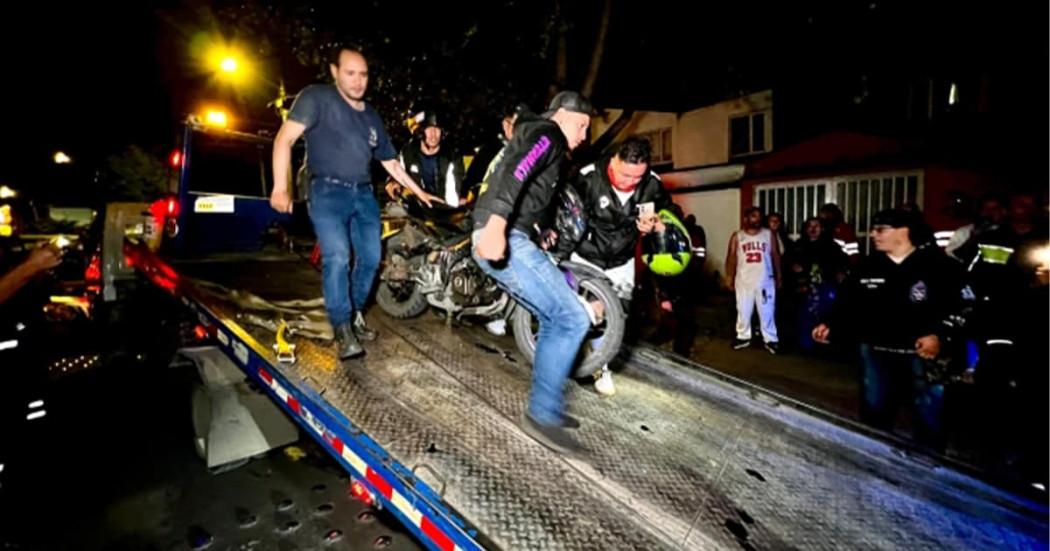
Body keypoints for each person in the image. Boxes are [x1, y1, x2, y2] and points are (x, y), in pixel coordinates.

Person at [270, 46, 440, 360]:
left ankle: (356, 313)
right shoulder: (315, 98)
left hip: (363, 194)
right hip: (327, 191)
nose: (358, 81)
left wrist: (419, 191)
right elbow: (285, 139)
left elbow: (391, 163)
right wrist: (280, 185)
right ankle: (342, 327)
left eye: (363, 74)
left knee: (372, 259)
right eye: (350, 73)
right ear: (335, 72)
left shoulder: (372, 116)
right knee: (337, 257)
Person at [472, 91, 594, 455]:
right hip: (502, 235)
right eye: (583, 125)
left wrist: (541, 229)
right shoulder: (549, 134)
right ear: (562, 115)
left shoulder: (538, 134)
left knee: (555, 318)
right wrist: (497, 226)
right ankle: (542, 415)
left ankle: (547, 408)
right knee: (572, 318)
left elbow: (529, 188)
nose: (585, 135)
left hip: (513, 234)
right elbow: (518, 171)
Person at [812, 208, 963, 450]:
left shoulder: (938, 267)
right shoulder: (867, 267)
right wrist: (829, 324)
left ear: (903, 232)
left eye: (880, 229)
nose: (873, 234)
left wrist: (939, 335)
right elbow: (846, 303)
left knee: (929, 418)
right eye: (873, 229)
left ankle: (929, 470)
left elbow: (959, 307)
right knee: (874, 416)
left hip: (922, 357)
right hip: (876, 352)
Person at [568, 137, 674, 396]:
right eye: (625, 174)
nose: (629, 182)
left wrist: (657, 222)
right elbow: (564, 216)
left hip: (621, 261)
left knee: (614, 317)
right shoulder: (587, 178)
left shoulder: (651, 184)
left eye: (636, 178)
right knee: (578, 312)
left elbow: (670, 212)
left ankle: (600, 367)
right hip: (584, 256)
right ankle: (566, 357)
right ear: (614, 160)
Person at [783, 217, 847, 352]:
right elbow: (787, 264)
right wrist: (794, 269)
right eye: (810, 226)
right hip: (803, 289)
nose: (813, 229)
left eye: (816, 226)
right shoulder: (798, 246)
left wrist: (840, 273)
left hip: (825, 287)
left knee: (826, 316)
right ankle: (805, 345)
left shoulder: (831, 246)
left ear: (822, 228)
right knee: (803, 316)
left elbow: (842, 264)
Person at [725, 207, 781, 354]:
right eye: (754, 216)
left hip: (765, 280)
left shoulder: (768, 234)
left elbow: (775, 255)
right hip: (744, 280)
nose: (757, 219)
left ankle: (771, 339)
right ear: (746, 218)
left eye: (759, 216)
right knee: (743, 310)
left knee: (767, 311)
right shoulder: (737, 236)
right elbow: (731, 258)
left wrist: (779, 275)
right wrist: (729, 276)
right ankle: (743, 336)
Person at [385, 111, 467, 207]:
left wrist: (450, 209)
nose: (433, 134)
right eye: (428, 129)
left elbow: (452, 197)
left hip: (442, 209)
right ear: (420, 132)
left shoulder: (452, 157)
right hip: (417, 207)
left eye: (437, 129)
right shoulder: (408, 152)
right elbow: (397, 172)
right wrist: (392, 182)